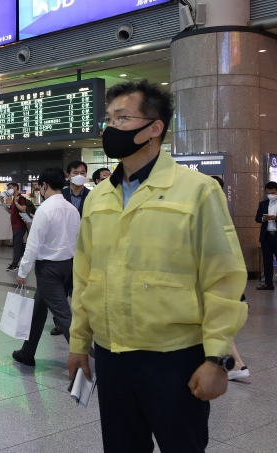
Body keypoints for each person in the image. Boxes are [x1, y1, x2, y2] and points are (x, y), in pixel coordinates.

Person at [67, 80, 248, 453]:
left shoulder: (196, 190)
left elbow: (223, 278)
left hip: (174, 358)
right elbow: (85, 276)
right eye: (108, 119)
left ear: (154, 128)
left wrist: (216, 358)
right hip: (112, 355)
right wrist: (79, 343)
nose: (111, 128)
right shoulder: (99, 197)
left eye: (122, 117)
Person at [11, 167, 80, 367]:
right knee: (38, 311)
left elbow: (34, 243)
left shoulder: (45, 209)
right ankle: (27, 352)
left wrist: (22, 271)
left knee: (63, 315)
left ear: (44, 186)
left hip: (48, 269)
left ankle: (89, 360)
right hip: (67, 266)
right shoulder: (72, 209)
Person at [210, 175, 250, 381]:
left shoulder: (214, 207)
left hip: (215, 274)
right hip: (222, 272)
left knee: (216, 323)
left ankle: (238, 365)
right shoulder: (224, 205)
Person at [1, 182, 28, 272]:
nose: (9, 190)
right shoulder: (13, 199)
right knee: (20, 246)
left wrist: (16, 202)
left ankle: (14, 265)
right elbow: (10, 211)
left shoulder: (20, 198)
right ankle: (26, 262)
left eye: (10, 187)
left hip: (20, 225)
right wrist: (3, 203)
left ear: (16, 188)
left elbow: (24, 209)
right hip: (15, 226)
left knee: (17, 246)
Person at [255, 181, 277, 290]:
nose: (271, 195)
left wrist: (275, 218)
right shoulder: (262, 204)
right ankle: (268, 283)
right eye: (268, 193)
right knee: (267, 260)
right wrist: (264, 218)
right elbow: (257, 218)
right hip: (266, 236)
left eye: (273, 192)